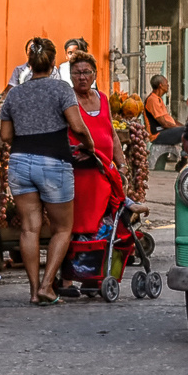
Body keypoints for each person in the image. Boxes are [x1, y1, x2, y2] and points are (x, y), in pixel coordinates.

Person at [0, 38, 92, 304]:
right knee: (63, 228)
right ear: (54, 63)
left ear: (29, 64)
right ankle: (47, 285)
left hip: (19, 162)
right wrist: (90, 144)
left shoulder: (14, 94)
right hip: (53, 162)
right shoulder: (61, 89)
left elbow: (5, 135)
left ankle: (32, 292)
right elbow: (76, 125)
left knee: (30, 229)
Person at [64, 52, 122, 295]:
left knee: (101, 227)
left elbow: (112, 134)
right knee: (76, 227)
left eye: (87, 72)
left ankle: (93, 278)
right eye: (77, 72)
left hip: (103, 176)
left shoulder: (104, 100)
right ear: (70, 76)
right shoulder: (68, 101)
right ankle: (67, 280)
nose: (82, 77)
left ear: (95, 75)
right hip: (79, 175)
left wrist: (122, 164)